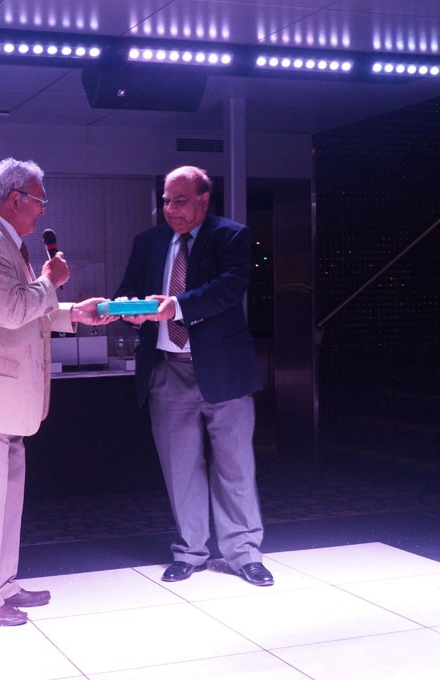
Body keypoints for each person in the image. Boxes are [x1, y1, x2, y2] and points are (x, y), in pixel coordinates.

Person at [0, 158, 112, 627]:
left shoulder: (5, 241)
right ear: (16, 199)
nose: (42, 211)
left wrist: (74, 312)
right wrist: (51, 281)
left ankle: (0, 583)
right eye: (39, 201)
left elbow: (24, 309)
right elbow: (12, 309)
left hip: (0, 399)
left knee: (5, 499)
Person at [115, 165, 272, 587]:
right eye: (166, 200)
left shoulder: (231, 236)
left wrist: (177, 306)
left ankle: (243, 553)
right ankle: (190, 552)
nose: (170, 208)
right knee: (180, 468)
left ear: (204, 199)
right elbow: (126, 290)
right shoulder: (148, 242)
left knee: (235, 467)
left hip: (224, 371)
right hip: (167, 371)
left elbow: (229, 288)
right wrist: (128, 311)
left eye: (180, 200)